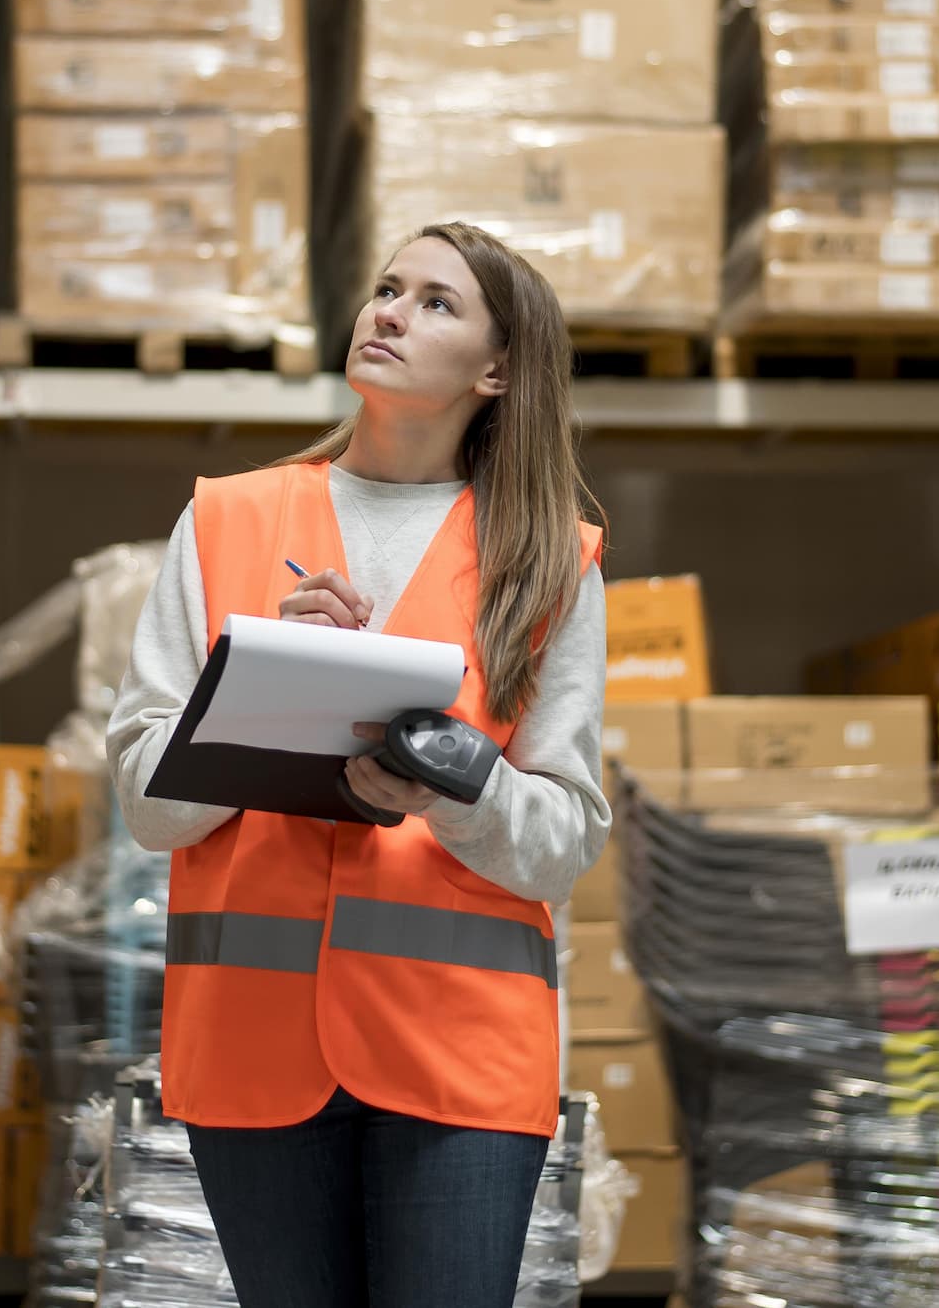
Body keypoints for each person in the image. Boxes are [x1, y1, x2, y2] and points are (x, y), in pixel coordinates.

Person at [107, 221, 610, 1308]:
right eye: (386, 288)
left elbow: (564, 840)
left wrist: (460, 785)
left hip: (459, 1054)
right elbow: (148, 805)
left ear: (498, 368)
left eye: (436, 301)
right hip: (253, 1043)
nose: (386, 311)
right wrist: (255, 698)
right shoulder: (226, 520)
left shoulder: (549, 560)